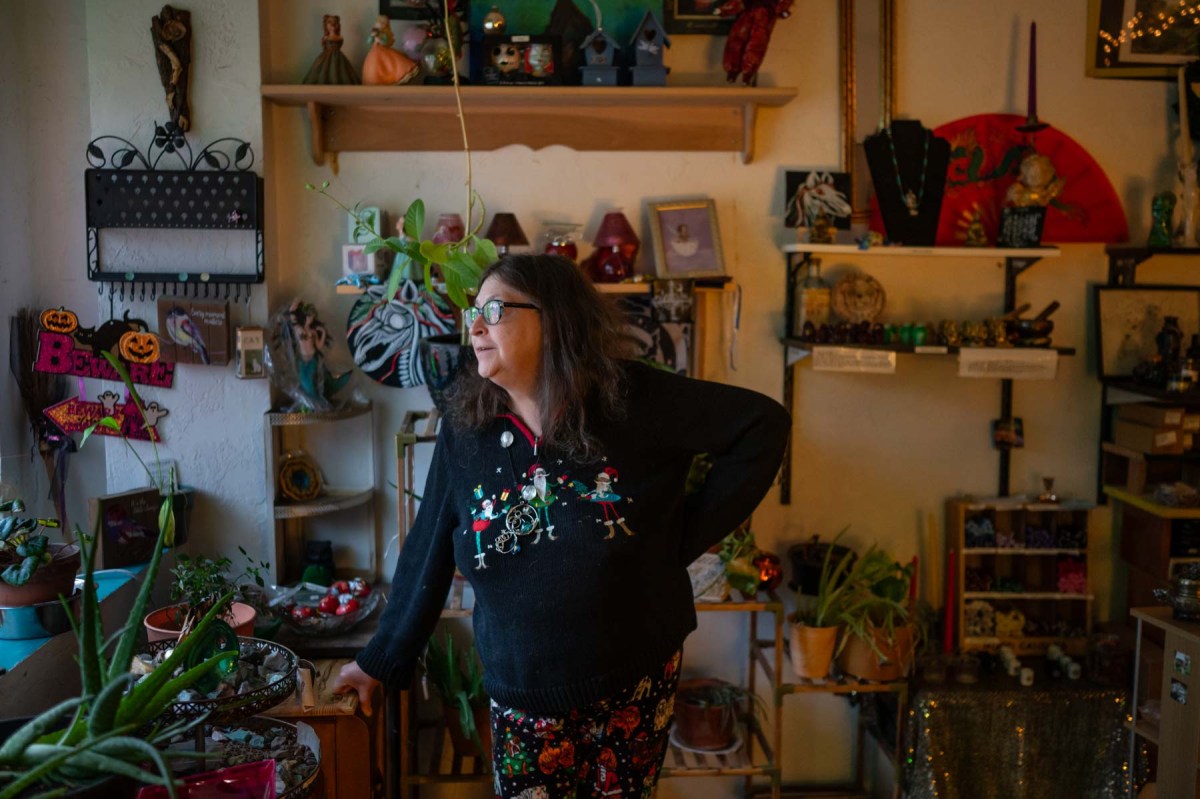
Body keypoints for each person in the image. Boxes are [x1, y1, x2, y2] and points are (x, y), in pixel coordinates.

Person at [333, 253, 790, 798]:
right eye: (473, 312)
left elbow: (762, 428)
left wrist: (672, 543)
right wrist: (380, 661)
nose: (475, 327)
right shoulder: (467, 427)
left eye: (495, 309)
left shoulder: (633, 399)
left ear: (554, 319)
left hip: (634, 682)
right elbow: (429, 544)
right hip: (524, 695)